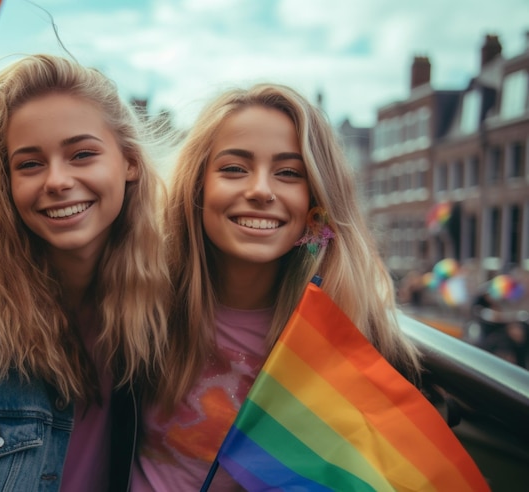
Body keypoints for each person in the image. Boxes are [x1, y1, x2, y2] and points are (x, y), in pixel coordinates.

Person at [131, 84, 423, 491]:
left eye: (288, 173)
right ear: (196, 187)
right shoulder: (141, 302)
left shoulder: (351, 338)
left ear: (317, 202)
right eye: (234, 168)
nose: (261, 190)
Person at [0, 54, 170, 491]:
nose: (57, 180)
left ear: (130, 162)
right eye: (30, 164)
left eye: (82, 154)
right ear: (4, 184)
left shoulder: (168, 309)